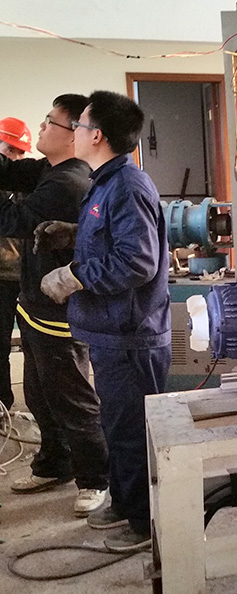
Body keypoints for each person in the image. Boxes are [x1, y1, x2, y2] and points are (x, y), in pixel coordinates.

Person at [38, 90, 171, 552]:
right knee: (118, 425)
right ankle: (127, 500)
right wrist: (74, 235)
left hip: (131, 334)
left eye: (78, 125)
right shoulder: (105, 182)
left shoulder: (128, 186)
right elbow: (111, 237)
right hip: (111, 329)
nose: (72, 131)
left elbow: (137, 262)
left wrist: (75, 275)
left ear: (96, 135)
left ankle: (145, 523)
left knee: (132, 431)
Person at [0, 97, 109, 518]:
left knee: (72, 400)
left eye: (50, 122)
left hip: (59, 315)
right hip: (34, 305)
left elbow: (11, 220)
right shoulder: (48, 170)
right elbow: (9, 171)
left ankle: (96, 478)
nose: (41, 127)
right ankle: (54, 463)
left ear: (74, 135)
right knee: (39, 396)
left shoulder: (68, 183)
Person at [0, 117, 32, 410]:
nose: (16, 157)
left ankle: (38, 407)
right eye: (10, 149)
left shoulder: (29, 182)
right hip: (1, 279)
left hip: (27, 278)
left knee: (36, 346)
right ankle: (3, 406)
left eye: (20, 151)